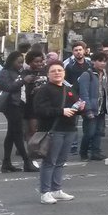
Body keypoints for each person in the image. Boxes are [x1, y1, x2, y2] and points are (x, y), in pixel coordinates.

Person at [33, 61, 81, 204]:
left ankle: (56, 189)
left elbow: (77, 104)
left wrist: (81, 107)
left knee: (60, 162)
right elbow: (40, 110)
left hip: (69, 129)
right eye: (53, 71)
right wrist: (61, 111)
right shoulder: (44, 90)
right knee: (49, 162)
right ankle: (45, 192)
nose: (57, 73)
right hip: (52, 130)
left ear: (64, 73)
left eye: (60, 70)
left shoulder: (68, 89)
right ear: (48, 74)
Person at [0, 52, 32, 173]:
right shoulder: (5, 72)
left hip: (19, 104)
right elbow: (6, 87)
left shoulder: (17, 72)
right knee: (17, 134)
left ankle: (6, 163)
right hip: (10, 105)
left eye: (22, 62)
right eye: (19, 62)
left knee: (11, 134)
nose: (21, 64)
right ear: (11, 61)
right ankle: (27, 161)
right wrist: (23, 81)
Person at [76, 52, 108, 162]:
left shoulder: (104, 74)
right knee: (89, 132)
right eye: (100, 61)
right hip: (91, 107)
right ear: (93, 61)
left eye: (104, 61)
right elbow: (84, 92)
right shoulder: (87, 74)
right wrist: (88, 109)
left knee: (98, 131)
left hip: (101, 107)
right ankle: (83, 152)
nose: (103, 63)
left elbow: (105, 91)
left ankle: (96, 152)